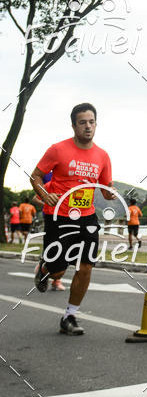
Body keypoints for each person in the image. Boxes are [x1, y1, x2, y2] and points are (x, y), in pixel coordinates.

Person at [29, 102, 116, 334]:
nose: (88, 127)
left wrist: (111, 192)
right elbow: (35, 176)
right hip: (59, 216)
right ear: (73, 125)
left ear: (96, 124)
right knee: (59, 270)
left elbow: (106, 191)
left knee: (86, 266)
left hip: (87, 218)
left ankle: (70, 316)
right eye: (82, 122)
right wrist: (45, 194)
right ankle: (46, 269)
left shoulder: (103, 156)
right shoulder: (58, 149)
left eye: (91, 122)